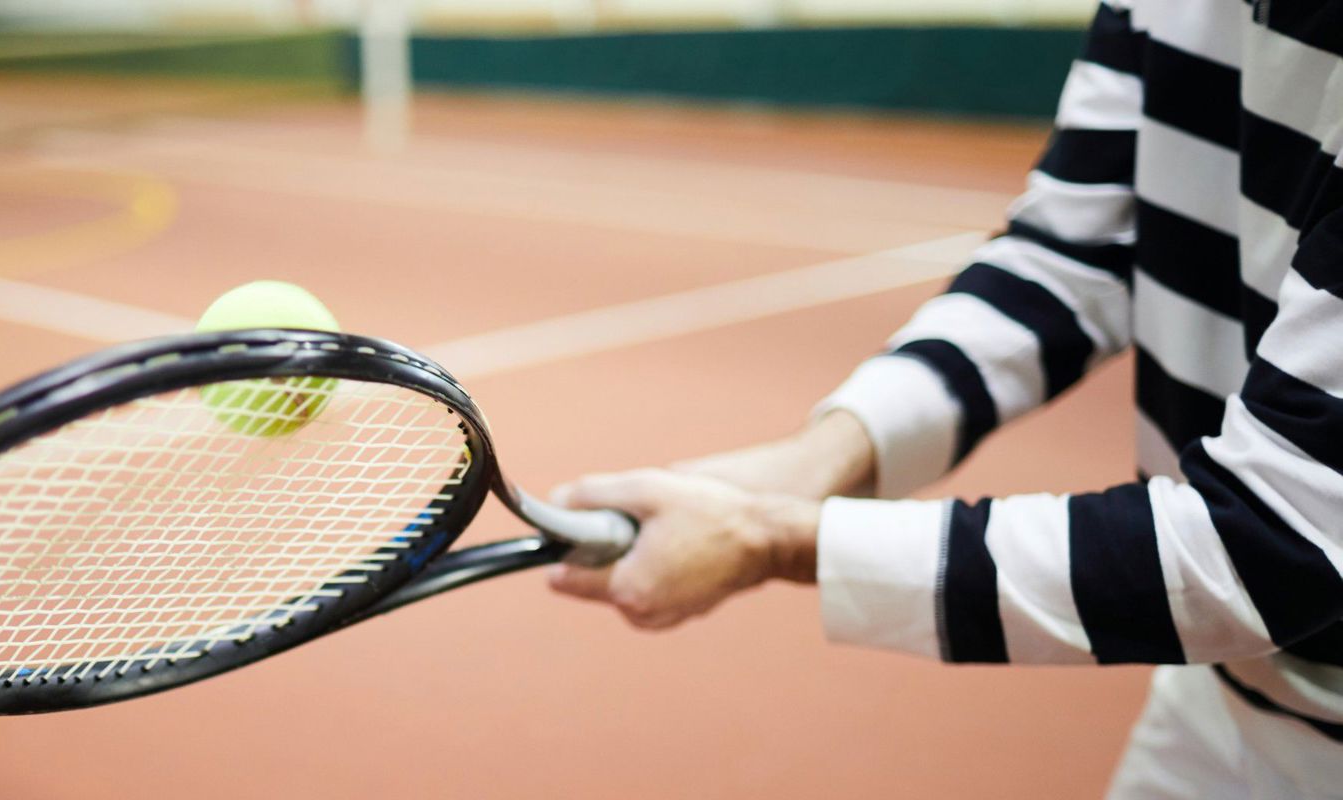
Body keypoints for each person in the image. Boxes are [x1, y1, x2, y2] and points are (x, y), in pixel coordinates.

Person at [545, 1, 1343, 796]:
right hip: (1222, 699)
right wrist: (810, 464)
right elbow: (1067, 255)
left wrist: (776, 538)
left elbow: (1274, 543)